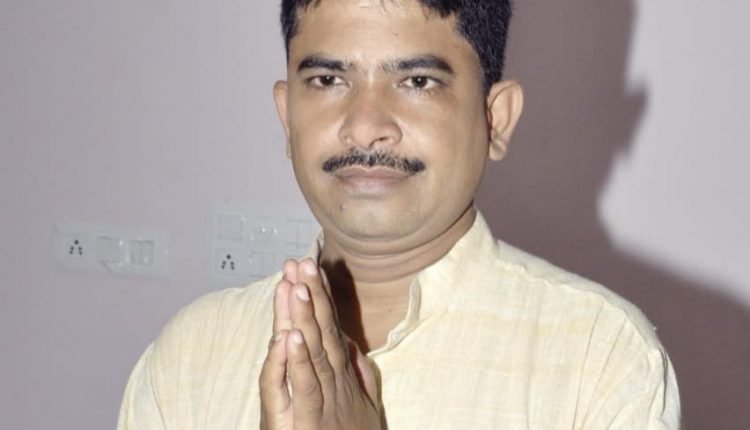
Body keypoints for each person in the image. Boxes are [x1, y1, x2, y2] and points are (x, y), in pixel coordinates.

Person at [118, 0, 681, 428]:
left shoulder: (599, 357)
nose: (365, 127)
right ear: (287, 118)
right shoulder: (189, 356)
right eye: (328, 80)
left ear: (496, 119)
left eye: (417, 81)